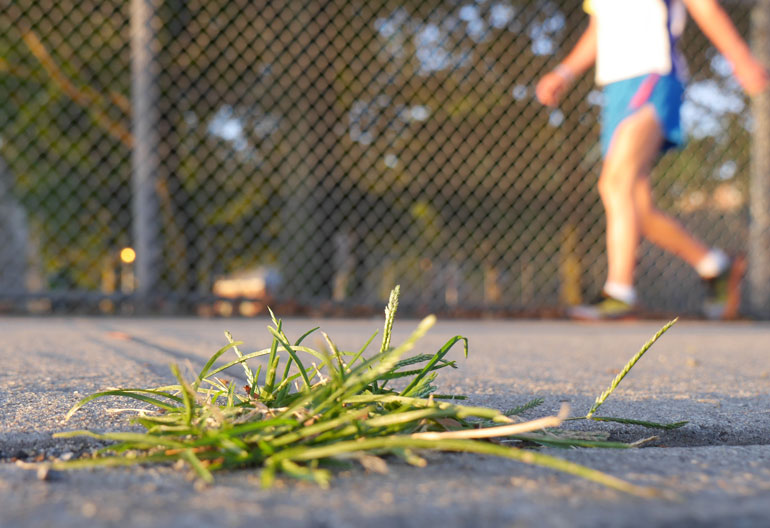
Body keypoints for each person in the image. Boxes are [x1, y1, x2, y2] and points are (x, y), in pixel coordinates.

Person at [536, 0, 768, 320]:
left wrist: (740, 59)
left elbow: (704, 6)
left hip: (653, 75)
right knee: (638, 209)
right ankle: (715, 265)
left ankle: (619, 292)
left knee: (615, 183)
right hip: (616, 87)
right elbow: (599, 26)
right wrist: (565, 71)